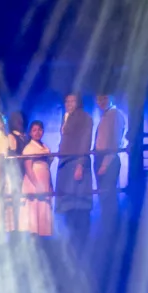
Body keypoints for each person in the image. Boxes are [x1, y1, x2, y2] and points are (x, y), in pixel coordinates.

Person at [56, 93, 93, 242]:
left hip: (76, 162)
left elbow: (85, 140)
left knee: (79, 203)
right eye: (67, 101)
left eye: (72, 101)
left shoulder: (84, 117)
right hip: (66, 163)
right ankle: (72, 238)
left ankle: (81, 239)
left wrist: (80, 164)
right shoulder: (66, 117)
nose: (69, 103)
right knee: (69, 205)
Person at [93, 93, 125, 232]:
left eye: (104, 98)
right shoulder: (104, 116)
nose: (101, 101)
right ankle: (107, 230)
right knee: (104, 198)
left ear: (111, 98)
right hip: (100, 157)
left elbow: (115, 141)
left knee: (108, 197)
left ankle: (112, 231)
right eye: (99, 98)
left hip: (109, 159)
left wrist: (105, 163)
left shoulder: (115, 114)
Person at [19, 120, 54, 237]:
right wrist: (36, 185)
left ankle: (42, 244)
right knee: (34, 211)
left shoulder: (45, 147)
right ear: (30, 133)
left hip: (44, 180)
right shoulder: (29, 148)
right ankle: (34, 244)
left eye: (39, 130)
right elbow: (28, 169)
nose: (37, 132)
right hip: (34, 183)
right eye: (34, 130)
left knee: (42, 211)